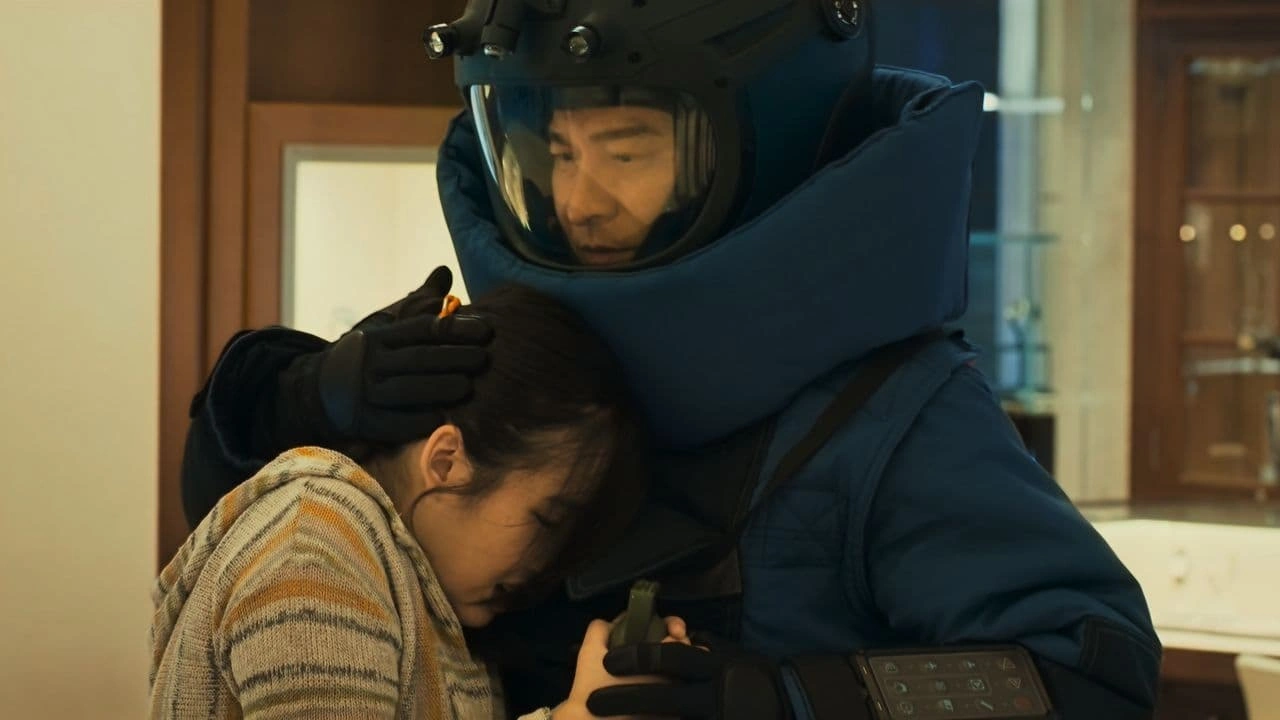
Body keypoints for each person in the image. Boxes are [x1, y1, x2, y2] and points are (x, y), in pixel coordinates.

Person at [179, 1, 1162, 718]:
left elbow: (1089, 671)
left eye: (627, 150)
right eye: (558, 153)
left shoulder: (892, 416)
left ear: (764, 134)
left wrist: (788, 699)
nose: (578, 202)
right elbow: (246, 567)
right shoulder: (505, 358)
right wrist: (292, 398)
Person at [150, 284, 688, 719]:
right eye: (548, 519)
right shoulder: (316, 545)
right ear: (446, 461)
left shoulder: (430, 597)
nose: (546, 565)